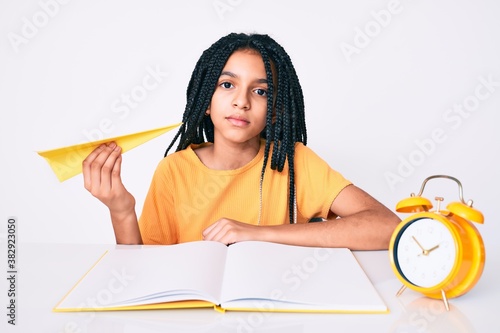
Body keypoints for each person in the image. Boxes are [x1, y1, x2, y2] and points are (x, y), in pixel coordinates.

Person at [82, 33, 400, 250]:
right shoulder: (174, 171)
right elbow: (143, 274)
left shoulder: (294, 161)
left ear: (275, 110)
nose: (241, 102)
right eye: (227, 85)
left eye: (260, 91)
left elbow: (386, 227)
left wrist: (256, 234)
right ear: (205, 100)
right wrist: (122, 211)